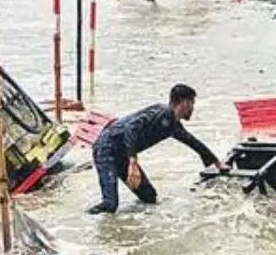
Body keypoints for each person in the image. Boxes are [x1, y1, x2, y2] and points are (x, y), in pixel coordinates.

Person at [88, 84, 225, 214]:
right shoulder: (161, 113)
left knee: (149, 197)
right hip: (106, 149)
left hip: (123, 154)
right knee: (110, 204)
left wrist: (217, 163)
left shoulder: (172, 125)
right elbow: (131, 129)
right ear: (183, 102)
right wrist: (133, 162)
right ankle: (82, 220)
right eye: (192, 103)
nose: (193, 108)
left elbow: (193, 143)